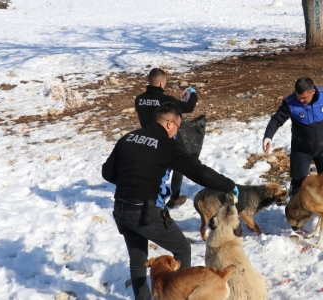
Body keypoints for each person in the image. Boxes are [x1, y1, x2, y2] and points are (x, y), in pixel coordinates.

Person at [102, 103, 239, 300]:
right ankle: (179, 295)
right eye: (178, 127)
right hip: (146, 212)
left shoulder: (128, 138)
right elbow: (197, 170)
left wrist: (130, 182)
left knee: (137, 261)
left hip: (122, 210)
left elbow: (107, 172)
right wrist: (227, 185)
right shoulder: (166, 145)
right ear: (169, 123)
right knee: (182, 249)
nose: (177, 132)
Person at [262, 76, 323, 198]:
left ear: (313, 92)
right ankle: (294, 211)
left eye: (304, 98)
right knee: (298, 181)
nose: (300, 100)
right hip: (301, 149)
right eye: (298, 97)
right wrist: (268, 137)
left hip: (322, 147)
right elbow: (276, 120)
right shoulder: (290, 103)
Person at [135, 68, 198, 208]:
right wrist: (192, 92)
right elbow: (189, 107)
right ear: (162, 82)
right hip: (165, 139)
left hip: (145, 138)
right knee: (177, 165)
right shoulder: (165, 100)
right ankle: (172, 198)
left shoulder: (139, 99)